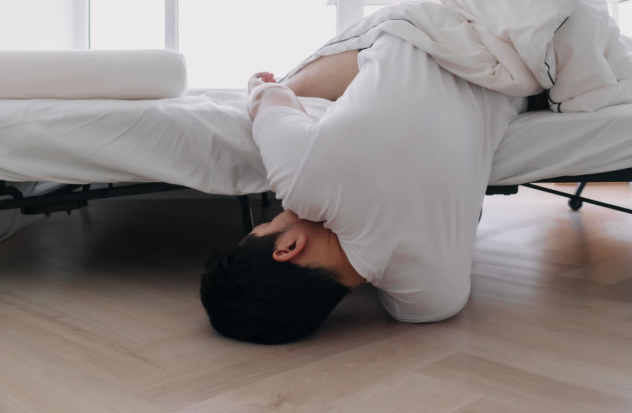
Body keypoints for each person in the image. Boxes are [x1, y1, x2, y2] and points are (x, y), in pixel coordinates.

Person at [200, 32, 527, 345]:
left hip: (515, 86)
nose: (278, 214)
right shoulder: (303, 182)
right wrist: (256, 89)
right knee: (293, 84)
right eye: (267, 225)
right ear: (287, 247)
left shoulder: (434, 302)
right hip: (415, 35)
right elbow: (273, 100)